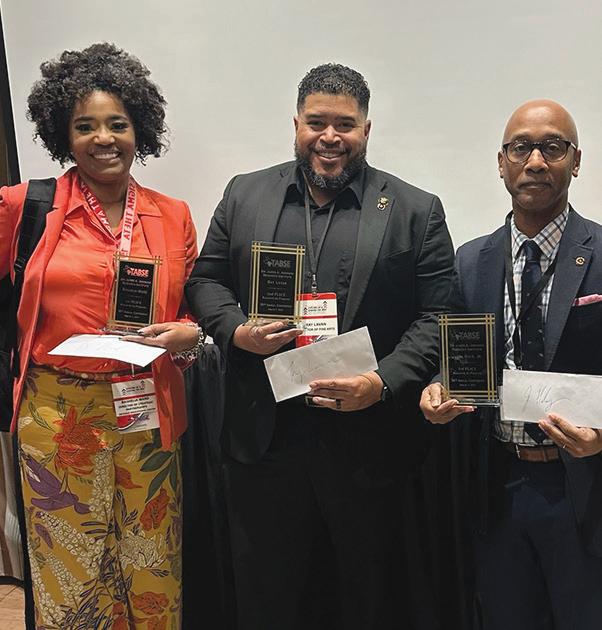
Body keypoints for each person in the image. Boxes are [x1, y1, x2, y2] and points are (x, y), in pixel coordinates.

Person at [186, 63, 455, 629]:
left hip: (367, 448)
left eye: (345, 125)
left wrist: (381, 383)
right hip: (264, 445)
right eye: (317, 123)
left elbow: (437, 316)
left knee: (366, 602)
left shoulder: (415, 210)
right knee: (267, 602)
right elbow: (206, 279)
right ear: (296, 125)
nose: (330, 137)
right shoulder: (244, 194)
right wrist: (236, 330)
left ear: (366, 130)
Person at [2, 43, 200, 628]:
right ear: (63, 135)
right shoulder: (25, 207)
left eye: (118, 123)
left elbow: (191, 310)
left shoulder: (174, 215)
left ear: (140, 130)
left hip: (147, 409)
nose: (103, 138)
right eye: (84, 126)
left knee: (153, 564)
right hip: (57, 414)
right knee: (71, 574)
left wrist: (188, 333)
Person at [420, 100, 602, 630]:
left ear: (576, 161)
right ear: (501, 163)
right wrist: (437, 389)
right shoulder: (470, 260)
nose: (536, 161)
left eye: (552, 147)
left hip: (583, 487)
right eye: (521, 147)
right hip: (498, 487)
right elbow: (456, 356)